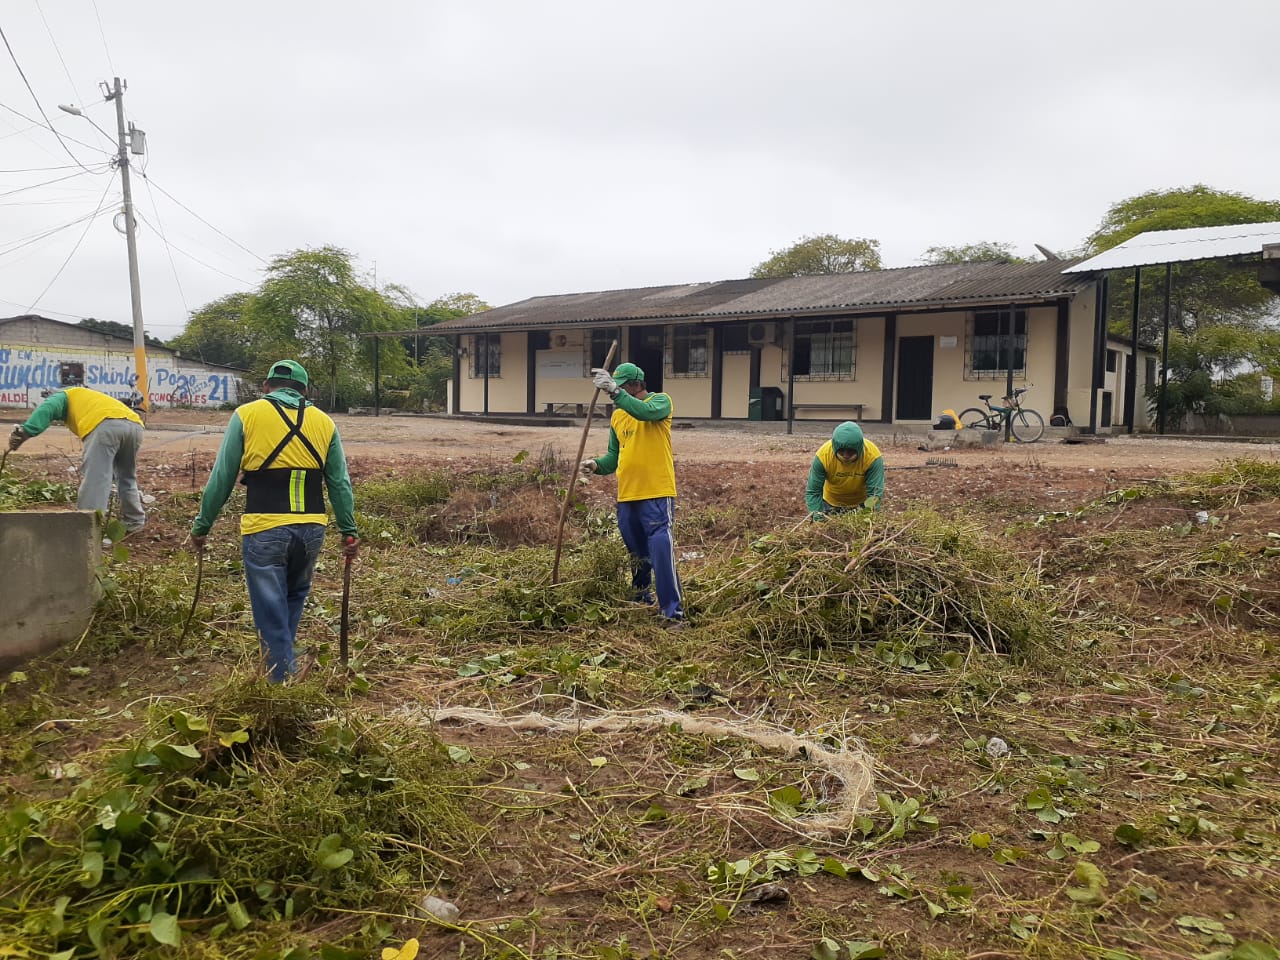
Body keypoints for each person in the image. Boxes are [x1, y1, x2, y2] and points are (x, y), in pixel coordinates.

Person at [190, 360, 359, 682]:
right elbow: (339, 483)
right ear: (304, 391)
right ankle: (282, 662)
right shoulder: (324, 422)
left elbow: (222, 477)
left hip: (264, 528)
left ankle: (280, 680)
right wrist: (349, 531)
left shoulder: (246, 415)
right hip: (312, 531)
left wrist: (202, 526)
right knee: (293, 597)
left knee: (270, 610)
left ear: (266, 387)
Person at [580, 362, 685, 628]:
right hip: (627, 494)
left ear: (636, 384)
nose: (615, 393)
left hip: (656, 492)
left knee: (660, 551)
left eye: (621, 386)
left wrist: (615, 392)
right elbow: (614, 456)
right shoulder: (618, 417)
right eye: (614, 388)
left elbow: (644, 412)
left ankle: (672, 612)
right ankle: (640, 598)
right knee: (637, 552)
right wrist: (595, 465)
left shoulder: (660, 402)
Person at [7, 384, 147, 531]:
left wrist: (25, 431)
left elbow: (46, 409)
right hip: (134, 426)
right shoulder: (89, 397)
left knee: (96, 478)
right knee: (126, 477)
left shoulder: (65, 395)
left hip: (105, 425)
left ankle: (87, 527)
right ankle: (135, 521)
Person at [805, 421, 885, 519]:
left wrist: (868, 517)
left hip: (861, 505)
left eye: (850, 451)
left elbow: (875, 493)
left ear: (859, 448)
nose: (846, 456)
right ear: (835, 447)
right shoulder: (823, 457)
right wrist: (818, 518)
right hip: (830, 504)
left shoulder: (872, 457)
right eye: (842, 451)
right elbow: (814, 492)